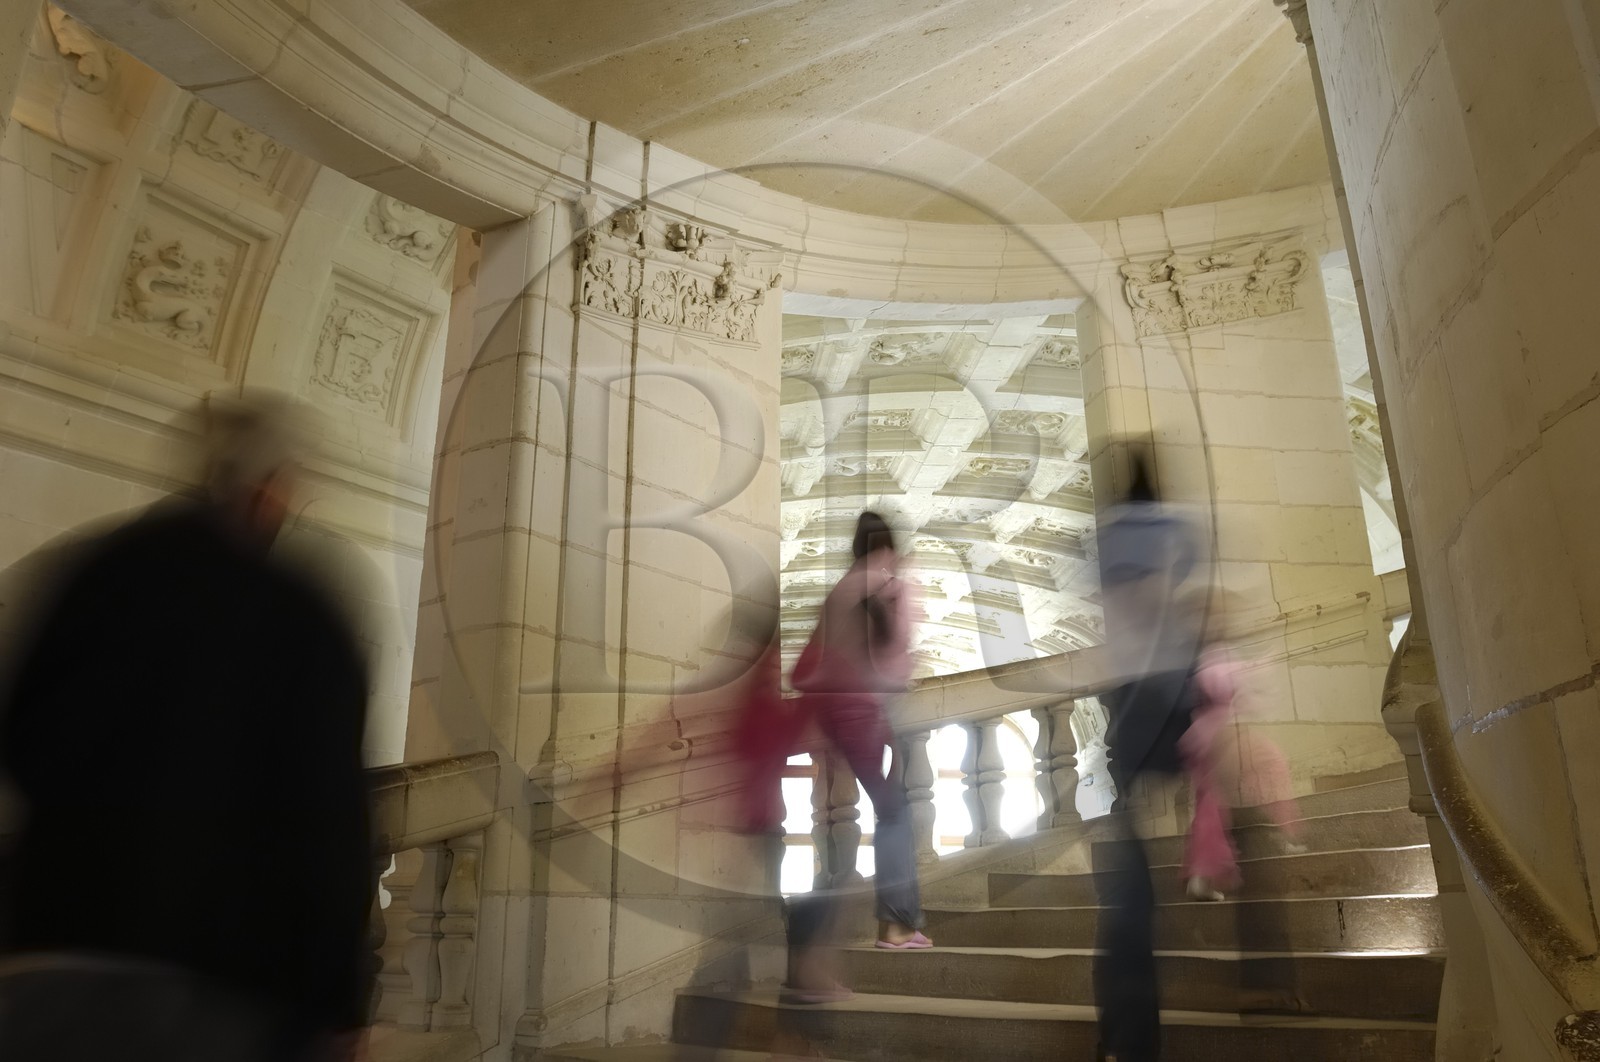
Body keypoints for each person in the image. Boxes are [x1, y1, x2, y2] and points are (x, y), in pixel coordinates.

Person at [0, 394, 375, 1062]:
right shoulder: (303, 612)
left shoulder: (91, 570)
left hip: (56, 947)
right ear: (271, 488)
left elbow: (22, 742)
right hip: (226, 982)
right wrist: (341, 1001)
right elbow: (329, 823)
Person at [1091, 453, 1204, 1062]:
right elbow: (1166, 608)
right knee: (1135, 896)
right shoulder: (1168, 534)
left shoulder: (1110, 540)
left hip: (1131, 725)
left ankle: (1123, 1038)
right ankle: (1129, 1041)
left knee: (1129, 896)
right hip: (1162, 715)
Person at [792, 511, 928, 951]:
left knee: (877, 812)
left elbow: (806, 669)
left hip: (834, 717)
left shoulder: (840, 591)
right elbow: (892, 664)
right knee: (895, 813)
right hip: (864, 716)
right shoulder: (888, 588)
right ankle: (897, 925)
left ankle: (830, 933)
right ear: (889, 545)